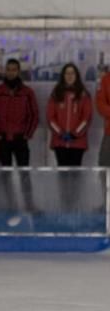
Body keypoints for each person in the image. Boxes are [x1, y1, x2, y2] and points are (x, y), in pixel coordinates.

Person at [0, 58, 39, 213]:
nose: (11, 72)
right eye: (8, 69)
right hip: (2, 139)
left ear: (18, 71)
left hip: (20, 139)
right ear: (5, 71)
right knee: (5, 174)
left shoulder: (27, 92)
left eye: (14, 69)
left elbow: (34, 115)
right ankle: (10, 205)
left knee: (24, 174)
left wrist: (27, 134)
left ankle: (29, 205)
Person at [47, 63, 93, 211]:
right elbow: (50, 117)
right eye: (67, 73)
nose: (69, 76)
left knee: (75, 176)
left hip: (77, 143)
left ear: (77, 76)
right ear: (63, 76)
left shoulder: (84, 95)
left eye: (72, 73)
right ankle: (64, 205)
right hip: (60, 143)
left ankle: (74, 205)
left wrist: (75, 134)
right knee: (62, 176)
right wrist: (61, 133)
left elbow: (87, 118)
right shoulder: (56, 94)